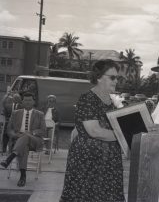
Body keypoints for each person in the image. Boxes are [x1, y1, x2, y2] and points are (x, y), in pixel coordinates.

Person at [60, 59, 125, 202]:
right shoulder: (87, 99)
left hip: (109, 160)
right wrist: (123, 135)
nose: (116, 81)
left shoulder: (114, 101)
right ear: (98, 77)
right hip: (88, 159)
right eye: (112, 77)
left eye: (117, 78)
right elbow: (94, 131)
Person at [0, 92, 46, 187]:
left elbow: (43, 130)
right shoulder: (15, 113)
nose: (27, 102)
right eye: (25, 100)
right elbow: (9, 129)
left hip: (34, 140)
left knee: (25, 136)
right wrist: (15, 135)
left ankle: (10, 157)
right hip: (18, 140)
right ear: (22, 102)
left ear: (33, 102)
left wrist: (31, 133)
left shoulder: (40, 114)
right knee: (23, 146)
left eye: (30, 100)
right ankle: (23, 176)